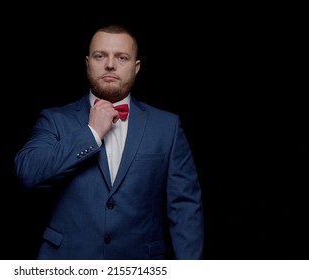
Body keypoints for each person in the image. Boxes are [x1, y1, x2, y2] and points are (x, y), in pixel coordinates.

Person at [14, 23, 204, 260]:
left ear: (136, 68)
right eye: (100, 55)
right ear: (87, 63)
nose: (110, 64)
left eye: (121, 57)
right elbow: (29, 173)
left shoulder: (167, 126)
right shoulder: (54, 119)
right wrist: (91, 132)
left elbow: (185, 207)